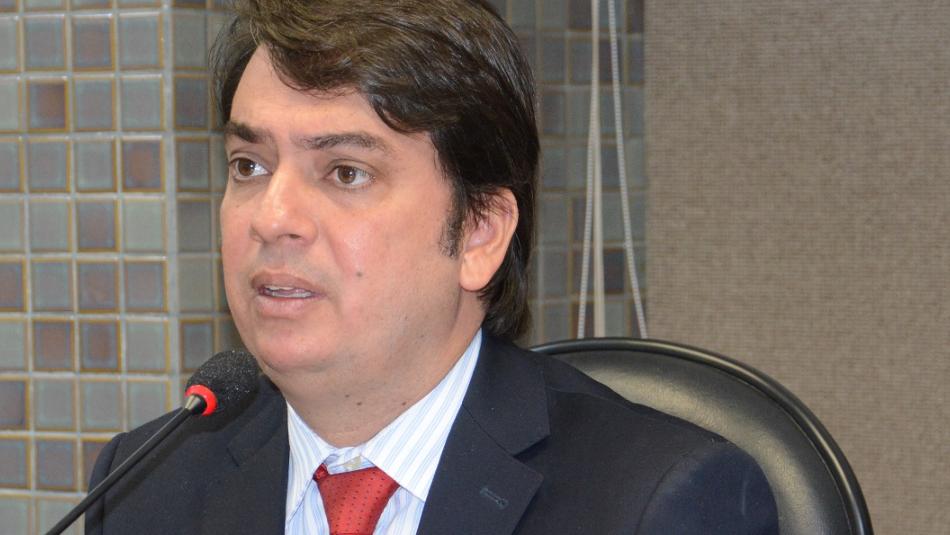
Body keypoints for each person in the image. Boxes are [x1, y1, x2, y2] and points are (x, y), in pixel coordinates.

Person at [86, 1, 778, 533]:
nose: (272, 218)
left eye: (346, 172)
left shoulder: (653, 502)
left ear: (479, 232)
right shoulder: (145, 488)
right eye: (249, 166)